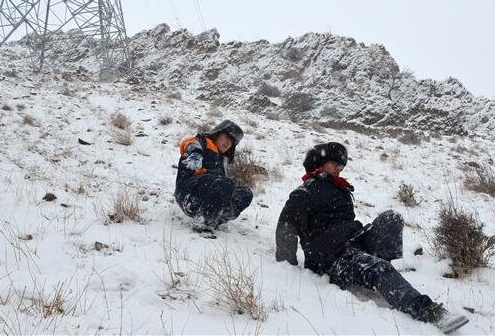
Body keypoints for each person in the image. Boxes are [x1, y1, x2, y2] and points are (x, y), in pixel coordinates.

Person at [275, 142, 469, 334]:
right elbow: (286, 224)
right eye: (335, 163)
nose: (338, 169)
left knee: (391, 218)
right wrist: (286, 264)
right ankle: (428, 311)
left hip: (353, 245)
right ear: (320, 162)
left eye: (341, 166)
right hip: (331, 257)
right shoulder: (306, 191)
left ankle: (380, 274)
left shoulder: (338, 188)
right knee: (378, 268)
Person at [174, 119, 253, 235]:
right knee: (224, 183)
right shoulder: (203, 141)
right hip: (188, 194)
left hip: (208, 197)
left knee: (245, 193)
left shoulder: (223, 161)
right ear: (217, 133)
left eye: (231, 142)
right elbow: (189, 142)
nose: (227, 143)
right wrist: (196, 153)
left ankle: (217, 217)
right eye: (226, 138)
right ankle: (203, 222)